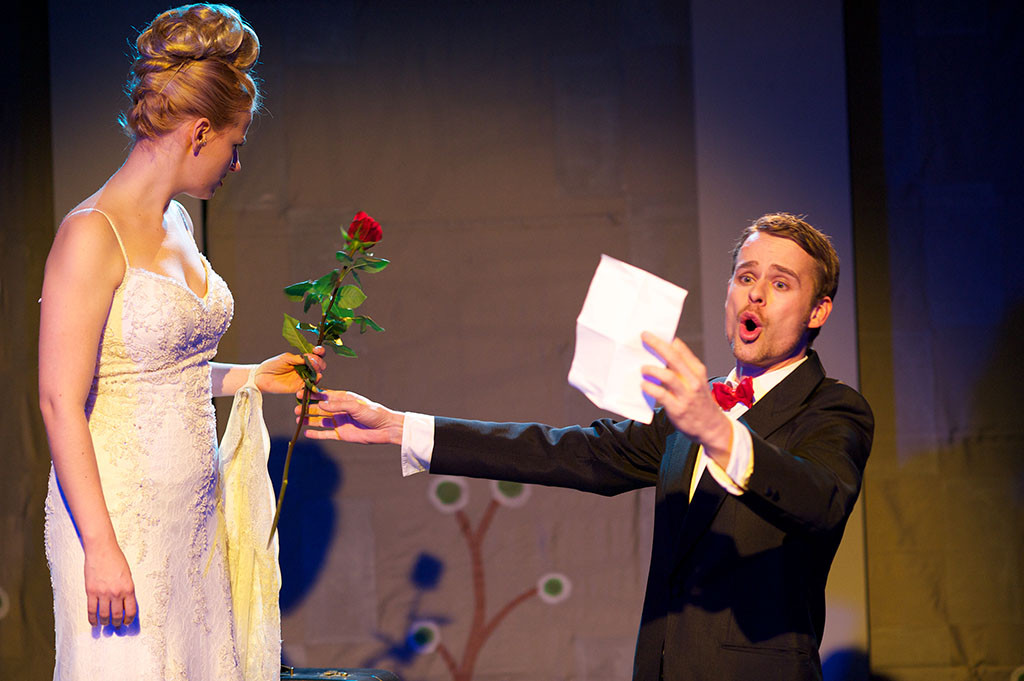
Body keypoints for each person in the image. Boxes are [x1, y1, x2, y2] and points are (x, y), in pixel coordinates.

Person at [298, 213, 873, 680]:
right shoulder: (692, 410)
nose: (756, 296)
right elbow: (563, 452)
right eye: (746, 277)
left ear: (818, 310)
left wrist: (718, 432)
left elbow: (820, 501)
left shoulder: (831, 409)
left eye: (781, 284)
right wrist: (400, 426)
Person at [38, 5, 323, 680]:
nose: (237, 162)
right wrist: (101, 546)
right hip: (118, 521)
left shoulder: (176, 223)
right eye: (235, 143)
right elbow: (58, 399)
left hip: (191, 520)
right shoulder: (91, 234)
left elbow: (158, 370)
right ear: (199, 133)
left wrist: (250, 375)